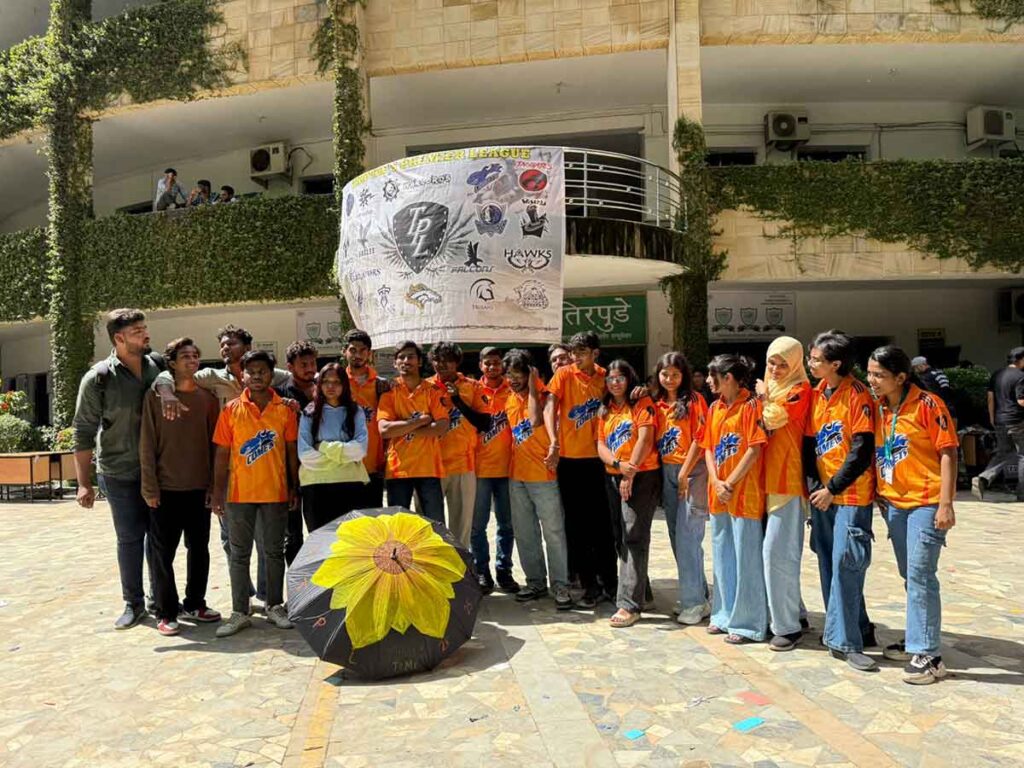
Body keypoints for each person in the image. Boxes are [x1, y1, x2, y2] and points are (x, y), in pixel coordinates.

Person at [154, 324, 289, 607]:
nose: (226, 348)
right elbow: (171, 375)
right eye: (223, 344)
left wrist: (290, 400)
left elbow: (300, 378)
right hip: (229, 471)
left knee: (267, 542)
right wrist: (165, 391)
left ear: (248, 347)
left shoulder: (267, 371)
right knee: (233, 541)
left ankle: (268, 595)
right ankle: (243, 597)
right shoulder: (211, 376)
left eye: (232, 343)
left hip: (266, 473)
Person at [867, 345, 958, 685]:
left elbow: (948, 452)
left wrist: (946, 503)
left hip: (926, 502)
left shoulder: (928, 404)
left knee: (921, 575)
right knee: (910, 574)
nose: (872, 380)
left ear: (901, 377)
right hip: (894, 504)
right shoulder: (880, 408)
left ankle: (929, 656)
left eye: (880, 375)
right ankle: (917, 637)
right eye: (870, 373)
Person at [73, 309, 165, 630]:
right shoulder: (98, 378)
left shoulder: (157, 367)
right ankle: (133, 603)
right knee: (129, 538)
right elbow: (83, 431)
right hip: (118, 471)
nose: (145, 335)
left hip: (157, 469)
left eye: (144, 328)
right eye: (138, 331)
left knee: (158, 538)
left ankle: (160, 599)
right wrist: (83, 483)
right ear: (119, 338)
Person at [803, 330, 878, 672]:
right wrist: (815, 486)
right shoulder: (817, 393)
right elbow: (809, 444)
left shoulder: (858, 396)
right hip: (822, 495)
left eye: (816, 359)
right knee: (828, 562)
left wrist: (832, 487)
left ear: (836, 363)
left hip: (850, 495)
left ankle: (845, 641)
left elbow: (861, 450)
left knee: (847, 564)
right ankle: (858, 626)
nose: (811, 363)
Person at [211, 350, 299, 638]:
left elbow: (290, 452)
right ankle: (239, 611)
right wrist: (217, 492)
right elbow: (221, 454)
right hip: (238, 495)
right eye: (251, 371)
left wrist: (294, 487)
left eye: (263, 371)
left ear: (272, 374)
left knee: (274, 552)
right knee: (239, 554)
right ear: (242, 375)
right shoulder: (231, 410)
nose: (257, 376)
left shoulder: (284, 409)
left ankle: (274, 605)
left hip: (275, 492)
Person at [140, 337, 222, 635]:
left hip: (199, 488)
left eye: (195, 355)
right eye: (185, 356)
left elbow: (216, 447)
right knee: (162, 554)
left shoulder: (208, 399)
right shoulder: (155, 398)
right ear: (172, 363)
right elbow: (147, 444)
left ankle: (195, 603)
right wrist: (149, 487)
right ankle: (166, 611)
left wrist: (215, 486)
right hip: (165, 490)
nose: (192, 360)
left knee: (199, 549)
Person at [544, 331, 618, 609]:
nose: (575, 357)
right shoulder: (564, 375)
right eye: (573, 352)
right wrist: (554, 440)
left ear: (595, 354)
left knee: (603, 525)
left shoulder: (606, 376)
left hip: (600, 461)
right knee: (577, 527)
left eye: (582, 352)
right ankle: (589, 586)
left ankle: (611, 583)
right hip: (570, 461)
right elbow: (549, 407)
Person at [701, 354, 768, 644]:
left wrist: (729, 482)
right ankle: (723, 615)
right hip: (718, 496)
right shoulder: (714, 407)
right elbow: (707, 447)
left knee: (746, 560)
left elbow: (754, 449)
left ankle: (748, 623)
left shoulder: (752, 406)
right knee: (722, 558)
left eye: (712, 375)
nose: (708, 380)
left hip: (745, 495)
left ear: (727, 377)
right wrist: (716, 481)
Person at [503, 350, 572, 609]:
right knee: (525, 533)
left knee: (553, 533)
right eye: (509, 375)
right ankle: (535, 582)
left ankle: (560, 584)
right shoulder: (510, 399)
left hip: (544, 475)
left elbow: (534, 420)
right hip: (517, 476)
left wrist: (532, 384)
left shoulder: (546, 395)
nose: (512, 380)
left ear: (530, 372)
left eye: (518, 374)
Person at [757, 337, 812, 651]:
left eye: (783, 364)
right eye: (772, 363)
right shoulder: (771, 388)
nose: (776, 370)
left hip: (787, 480)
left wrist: (763, 398)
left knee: (777, 554)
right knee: (778, 553)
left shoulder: (799, 389)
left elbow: (772, 418)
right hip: (764, 481)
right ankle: (795, 613)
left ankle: (786, 628)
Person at [597, 360, 661, 628]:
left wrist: (629, 472)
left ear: (629, 379)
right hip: (613, 475)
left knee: (634, 535)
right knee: (621, 535)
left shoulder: (641, 403)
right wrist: (616, 464)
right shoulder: (605, 409)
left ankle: (629, 605)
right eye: (611, 379)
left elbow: (645, 439)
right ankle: (642, 593)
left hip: (641, 476)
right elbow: (600, 444)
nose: (615, 383)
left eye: (620, 378)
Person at [650, 351, 710, 625]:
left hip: (693, 471)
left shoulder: (695, 400)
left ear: (684, 375)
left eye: (675, 374)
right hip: (668, 471)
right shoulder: (657, 403)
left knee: (689, 538)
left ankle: (693, 603)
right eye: (665, 374)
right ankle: (699, 595)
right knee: (678, 537)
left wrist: (685, 471)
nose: (670, 379)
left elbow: (701, 437)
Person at [376, 340, 449, 522]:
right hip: (398, 469)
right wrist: (420, 421)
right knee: (398, 527)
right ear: (395, 363)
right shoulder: (389, 392)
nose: (406, 361)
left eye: (410, 357)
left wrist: (402, 427)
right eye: (401, 357)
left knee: (435, 526)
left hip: (428, 469)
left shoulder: (432, 391)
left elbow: (442, 427)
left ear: (420, 361)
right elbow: (384, 430)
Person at [470, 347, 520, 595]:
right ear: (480, 365)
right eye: (487, 363)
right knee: (477, 526)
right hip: (479, 470)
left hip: (508, 469)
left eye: (496, 363)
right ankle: (482, 571)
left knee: (507, 525)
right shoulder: (472, 390)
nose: (492, 367)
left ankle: (504, 571)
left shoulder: (513, 389)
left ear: (503, 365)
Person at [298, 363, 369, 531]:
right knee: (321, 540)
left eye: (336, 382)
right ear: (319, 384)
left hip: (350, 484)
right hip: (316, 486)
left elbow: (360, 450)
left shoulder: (355, 411)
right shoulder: (309, 413)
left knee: (349, 540)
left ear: (344, 384)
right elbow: (305, 455)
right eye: (326, 381)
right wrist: (344, 458)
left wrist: (322, 446)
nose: (331, 386)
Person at [427, 342, 479, 547]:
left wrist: (457, 399)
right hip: (430, 467)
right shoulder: (424, 387)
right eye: (437, 360)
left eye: (447, 360)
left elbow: (484, 422)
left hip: (462, 465)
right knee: (430, 529)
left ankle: (461, 566)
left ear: (457, 362)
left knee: (461, 530)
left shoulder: (472, 386)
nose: (441, 364)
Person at [276, 340, 319, 564]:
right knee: (292, 535)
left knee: (320, 531)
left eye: (313, 363)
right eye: (304, 364)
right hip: (290, 472)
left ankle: (320, 582)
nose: (310, 368)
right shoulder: (279, 395)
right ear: (290, 366)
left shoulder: (325, 390)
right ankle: (296, 581)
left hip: (319, 471)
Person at [343, 329, 389, 509]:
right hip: (344, 465)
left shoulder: (381, 384)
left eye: (362, 350)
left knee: (372, 519)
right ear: (344, 351)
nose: (357, 355)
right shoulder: (337, 382)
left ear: (369, 353)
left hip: (372, 464)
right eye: (353, 350)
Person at [974, 346, 1024, 501]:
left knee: (1004, 452)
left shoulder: (997, 374)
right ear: (1021, 359)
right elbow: (1021, 401)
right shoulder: (1020, 376)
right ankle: (1022, 492)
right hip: (1017, 421)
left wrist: (992, 418)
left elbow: (990, 398)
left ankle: (983, 477)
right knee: (1022, 454)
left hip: (1000, 420)